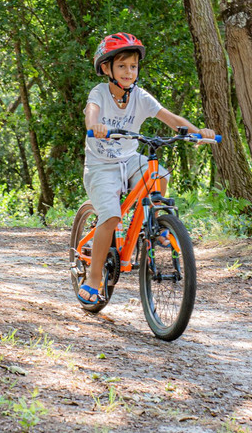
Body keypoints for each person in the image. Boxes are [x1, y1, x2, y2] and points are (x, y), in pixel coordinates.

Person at [79, 32, 215, 305]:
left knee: (160, 173)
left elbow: (170, 118)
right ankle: (94, 277)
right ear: (106, 68)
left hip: (129, 159)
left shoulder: (141, 96)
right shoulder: (100, 93)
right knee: (112, 218)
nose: (129, 72)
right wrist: (95, 126)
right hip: (101, 166)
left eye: (133, 66)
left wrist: (197, 132)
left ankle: (156, 226)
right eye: (122, 66)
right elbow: (91, 112)